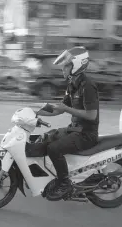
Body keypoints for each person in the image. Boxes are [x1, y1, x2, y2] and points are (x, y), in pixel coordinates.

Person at [26, 46, 99, 201]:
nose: (63, 70)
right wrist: (34, 112)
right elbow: (59, 109)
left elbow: (92, 115)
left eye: (66, 66)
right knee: (46, 138)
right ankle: (53, 178)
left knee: (54, 149)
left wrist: (67, 109)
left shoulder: (87, 86)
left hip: (86, 134)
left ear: (77, 65)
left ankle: (64, 183)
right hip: (75, 130)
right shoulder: (72, 84)